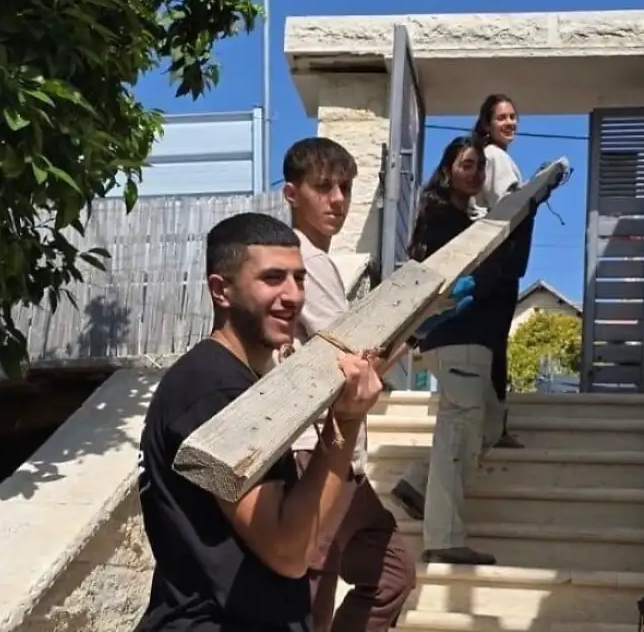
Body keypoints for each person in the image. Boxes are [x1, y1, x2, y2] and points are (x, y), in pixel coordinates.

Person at [135, 212, 387, 632]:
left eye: (299, 278)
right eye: (272, 278)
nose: (293, 296)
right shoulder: (215, 390)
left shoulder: (236, 382)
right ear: (222, 290)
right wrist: (344, 421)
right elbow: (289, 552)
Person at [278, 137, 416, 632]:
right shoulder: (306, 262)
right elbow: (356, 360)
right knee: (322, 589)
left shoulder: (314, 260)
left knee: (377, 574)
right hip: (315, 448)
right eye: (323, 187)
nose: (337, 200)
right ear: (291, 194)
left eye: (345, 188)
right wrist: (420, 323)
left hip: (328, 449)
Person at [387, 136, 508, 566]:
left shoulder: (461, 217)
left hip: (466, 340)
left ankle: (417, 484)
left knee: (489, 424)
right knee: (458, 438)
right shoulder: (445, 220)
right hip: (458, 337)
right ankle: (444, 538)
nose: (475, 173)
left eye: (479, 167)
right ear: (448, 170)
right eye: (466, 165)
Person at [469, 93, 532, 449]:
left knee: (488, 343)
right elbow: (509, 207)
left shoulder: (487, 157)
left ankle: (488, 423)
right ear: (487, 124)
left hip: (488, 262)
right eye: (502, 118)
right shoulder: (496, 157)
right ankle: (494, 428)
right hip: (497, 263)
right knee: (493, 345)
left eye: (513, 116)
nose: (510, 123)